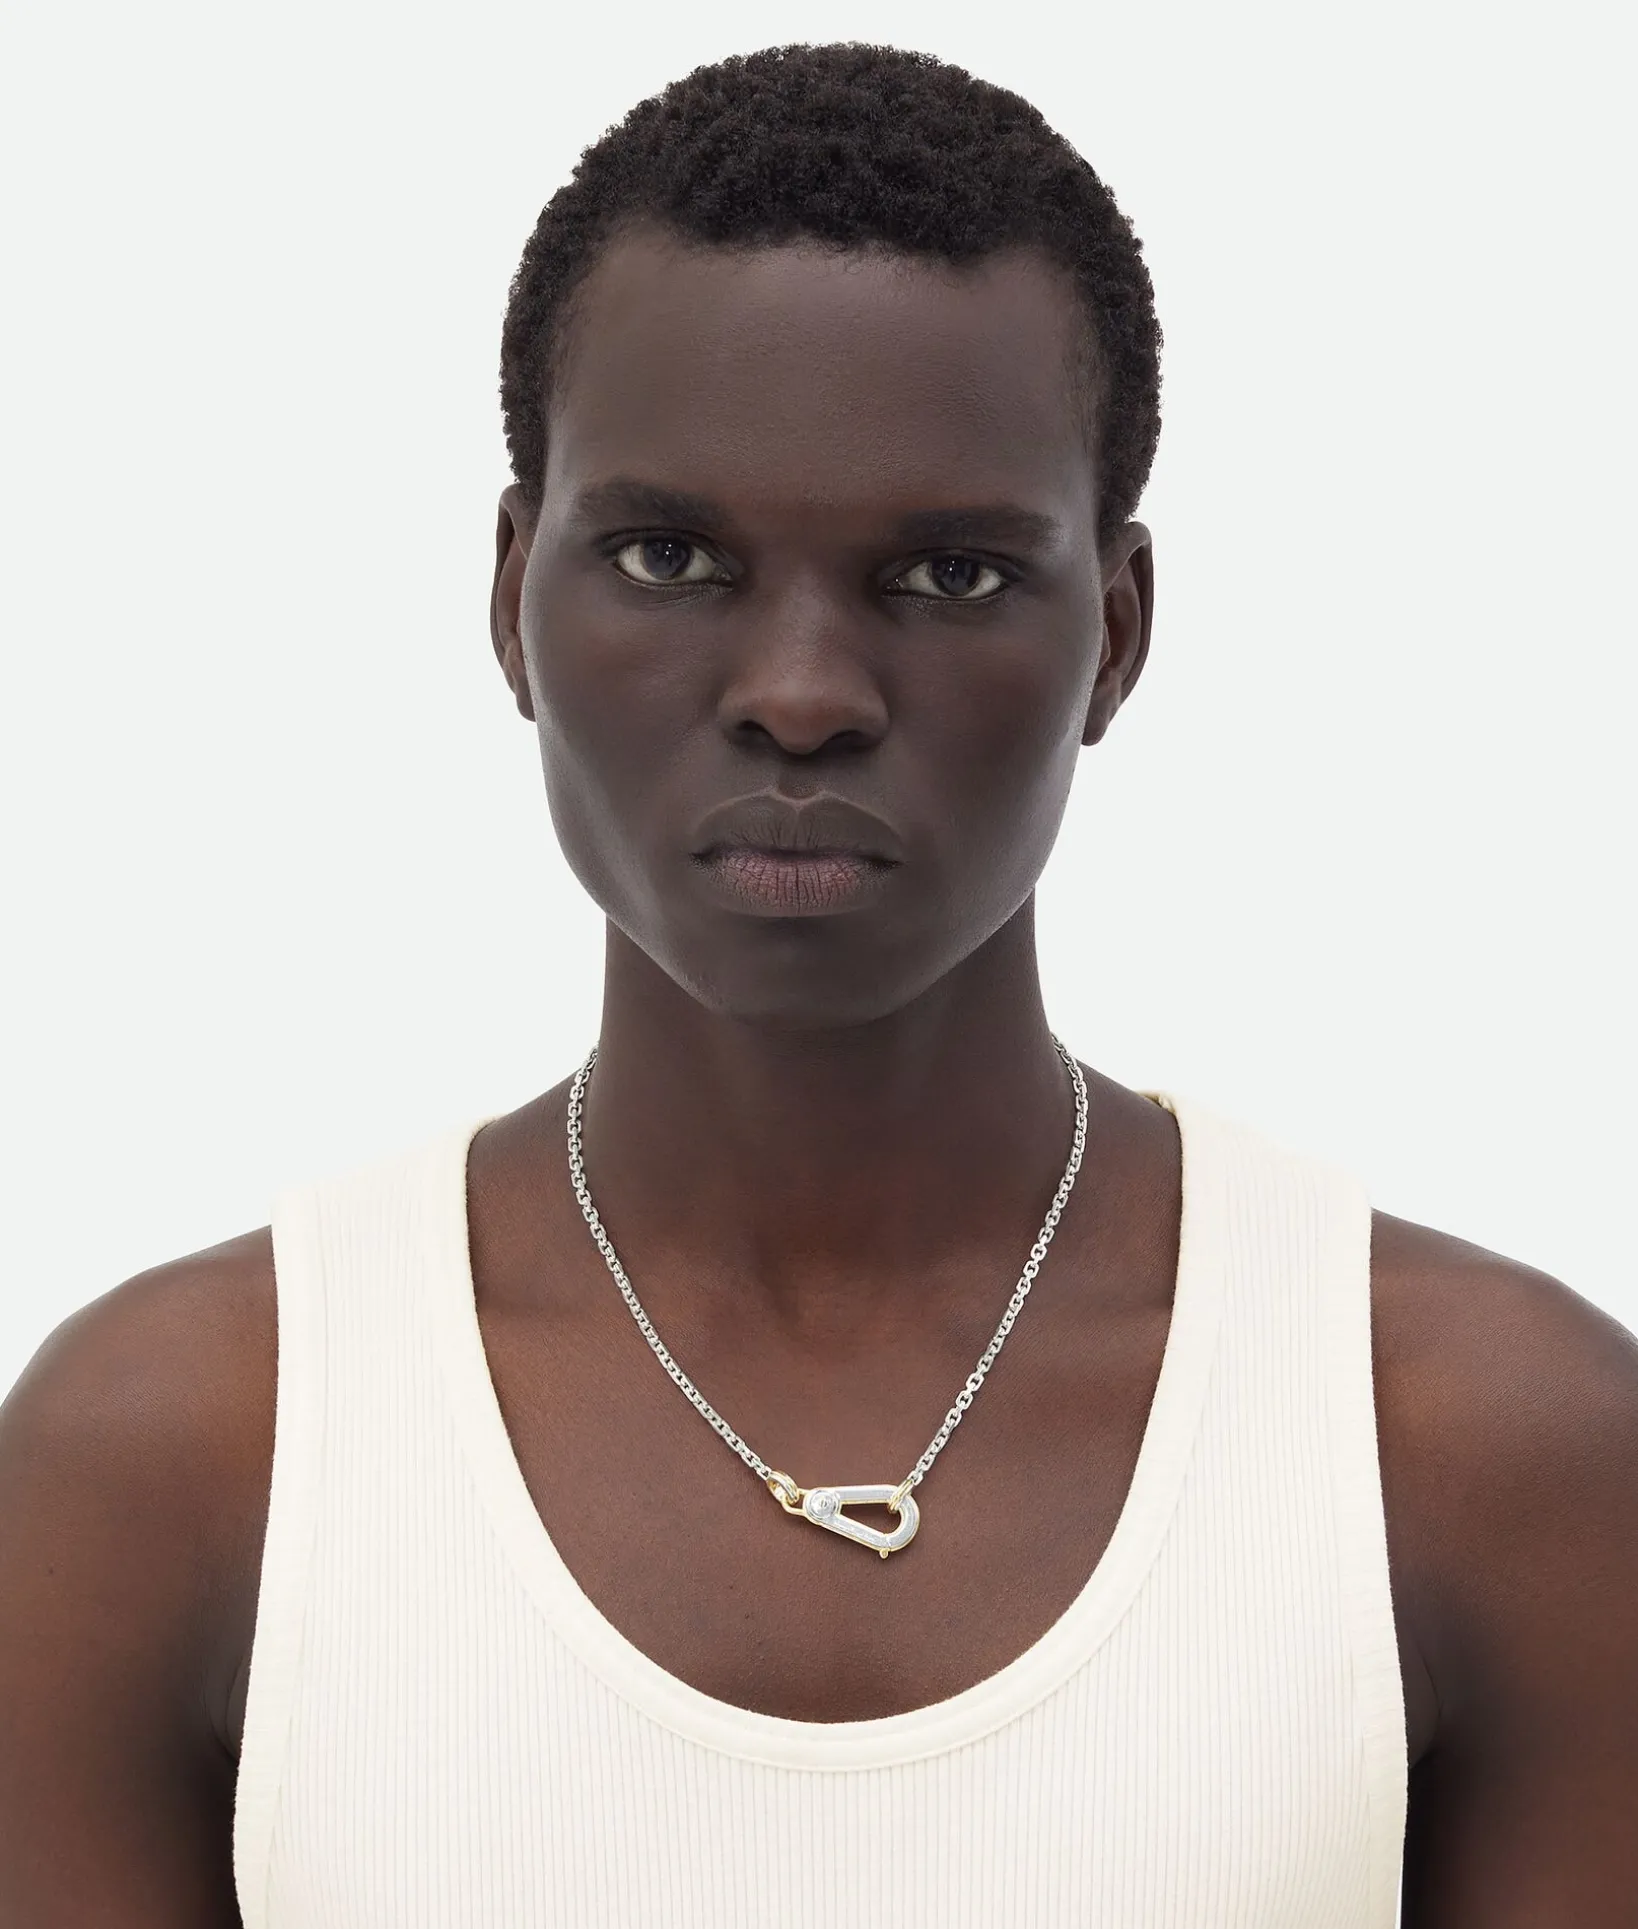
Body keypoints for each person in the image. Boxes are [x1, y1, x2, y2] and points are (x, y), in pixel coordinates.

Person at [1, 39, 1635, 1928]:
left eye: (948, 576)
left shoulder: (1482, 1447)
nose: (799, 695)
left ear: (1115, 635)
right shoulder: (177, 1454)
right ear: (512, 595)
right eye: (670, 554)